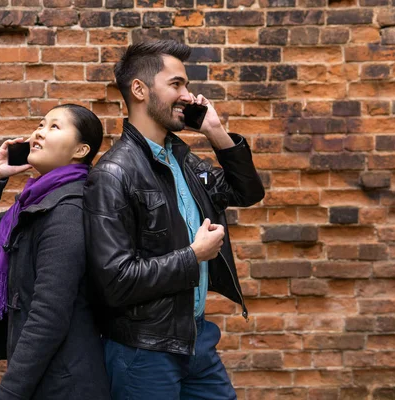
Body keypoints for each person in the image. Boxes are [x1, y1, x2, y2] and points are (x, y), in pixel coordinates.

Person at [83, 40, 266, 400]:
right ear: (140, 89)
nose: (188, 95)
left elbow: (247, 193)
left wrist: (214, 131)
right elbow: (115, 281)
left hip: (195, 340)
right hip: (143, 352)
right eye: (176, 84)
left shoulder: (183, 160)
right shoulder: (113, 174)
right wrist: (193, 255)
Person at [0, 104, 110, 400]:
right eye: (40, 125)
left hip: (66, 384)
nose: (38, 132)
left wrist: (8, 394)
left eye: (54, 127)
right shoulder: (36, 206)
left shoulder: (67, 212)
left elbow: (48, 317)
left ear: (80, 150)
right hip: (49, 378)